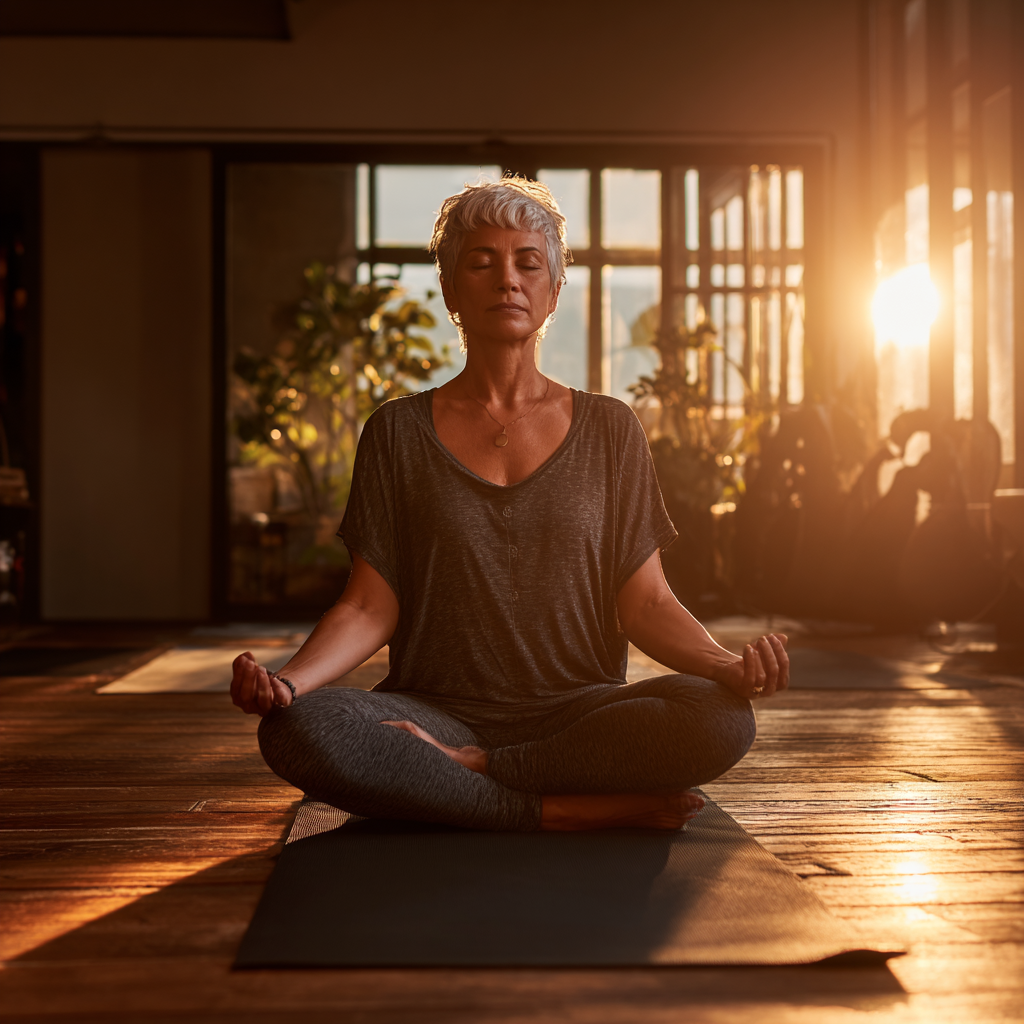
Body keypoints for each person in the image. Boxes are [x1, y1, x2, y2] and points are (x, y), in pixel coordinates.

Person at [231, 177, 789, 833]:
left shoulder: (611, 429)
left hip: (581, 713)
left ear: (552, 290)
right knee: (300, 730)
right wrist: (289, 683)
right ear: (450, 289)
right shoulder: (396, 432)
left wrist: (728, 666)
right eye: (482, 262)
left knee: (720, 716)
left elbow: (647, 602)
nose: (508, 281)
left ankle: (486, 771)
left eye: (528, 263)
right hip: (433, 708)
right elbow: (367, 604)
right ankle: (551, 808)